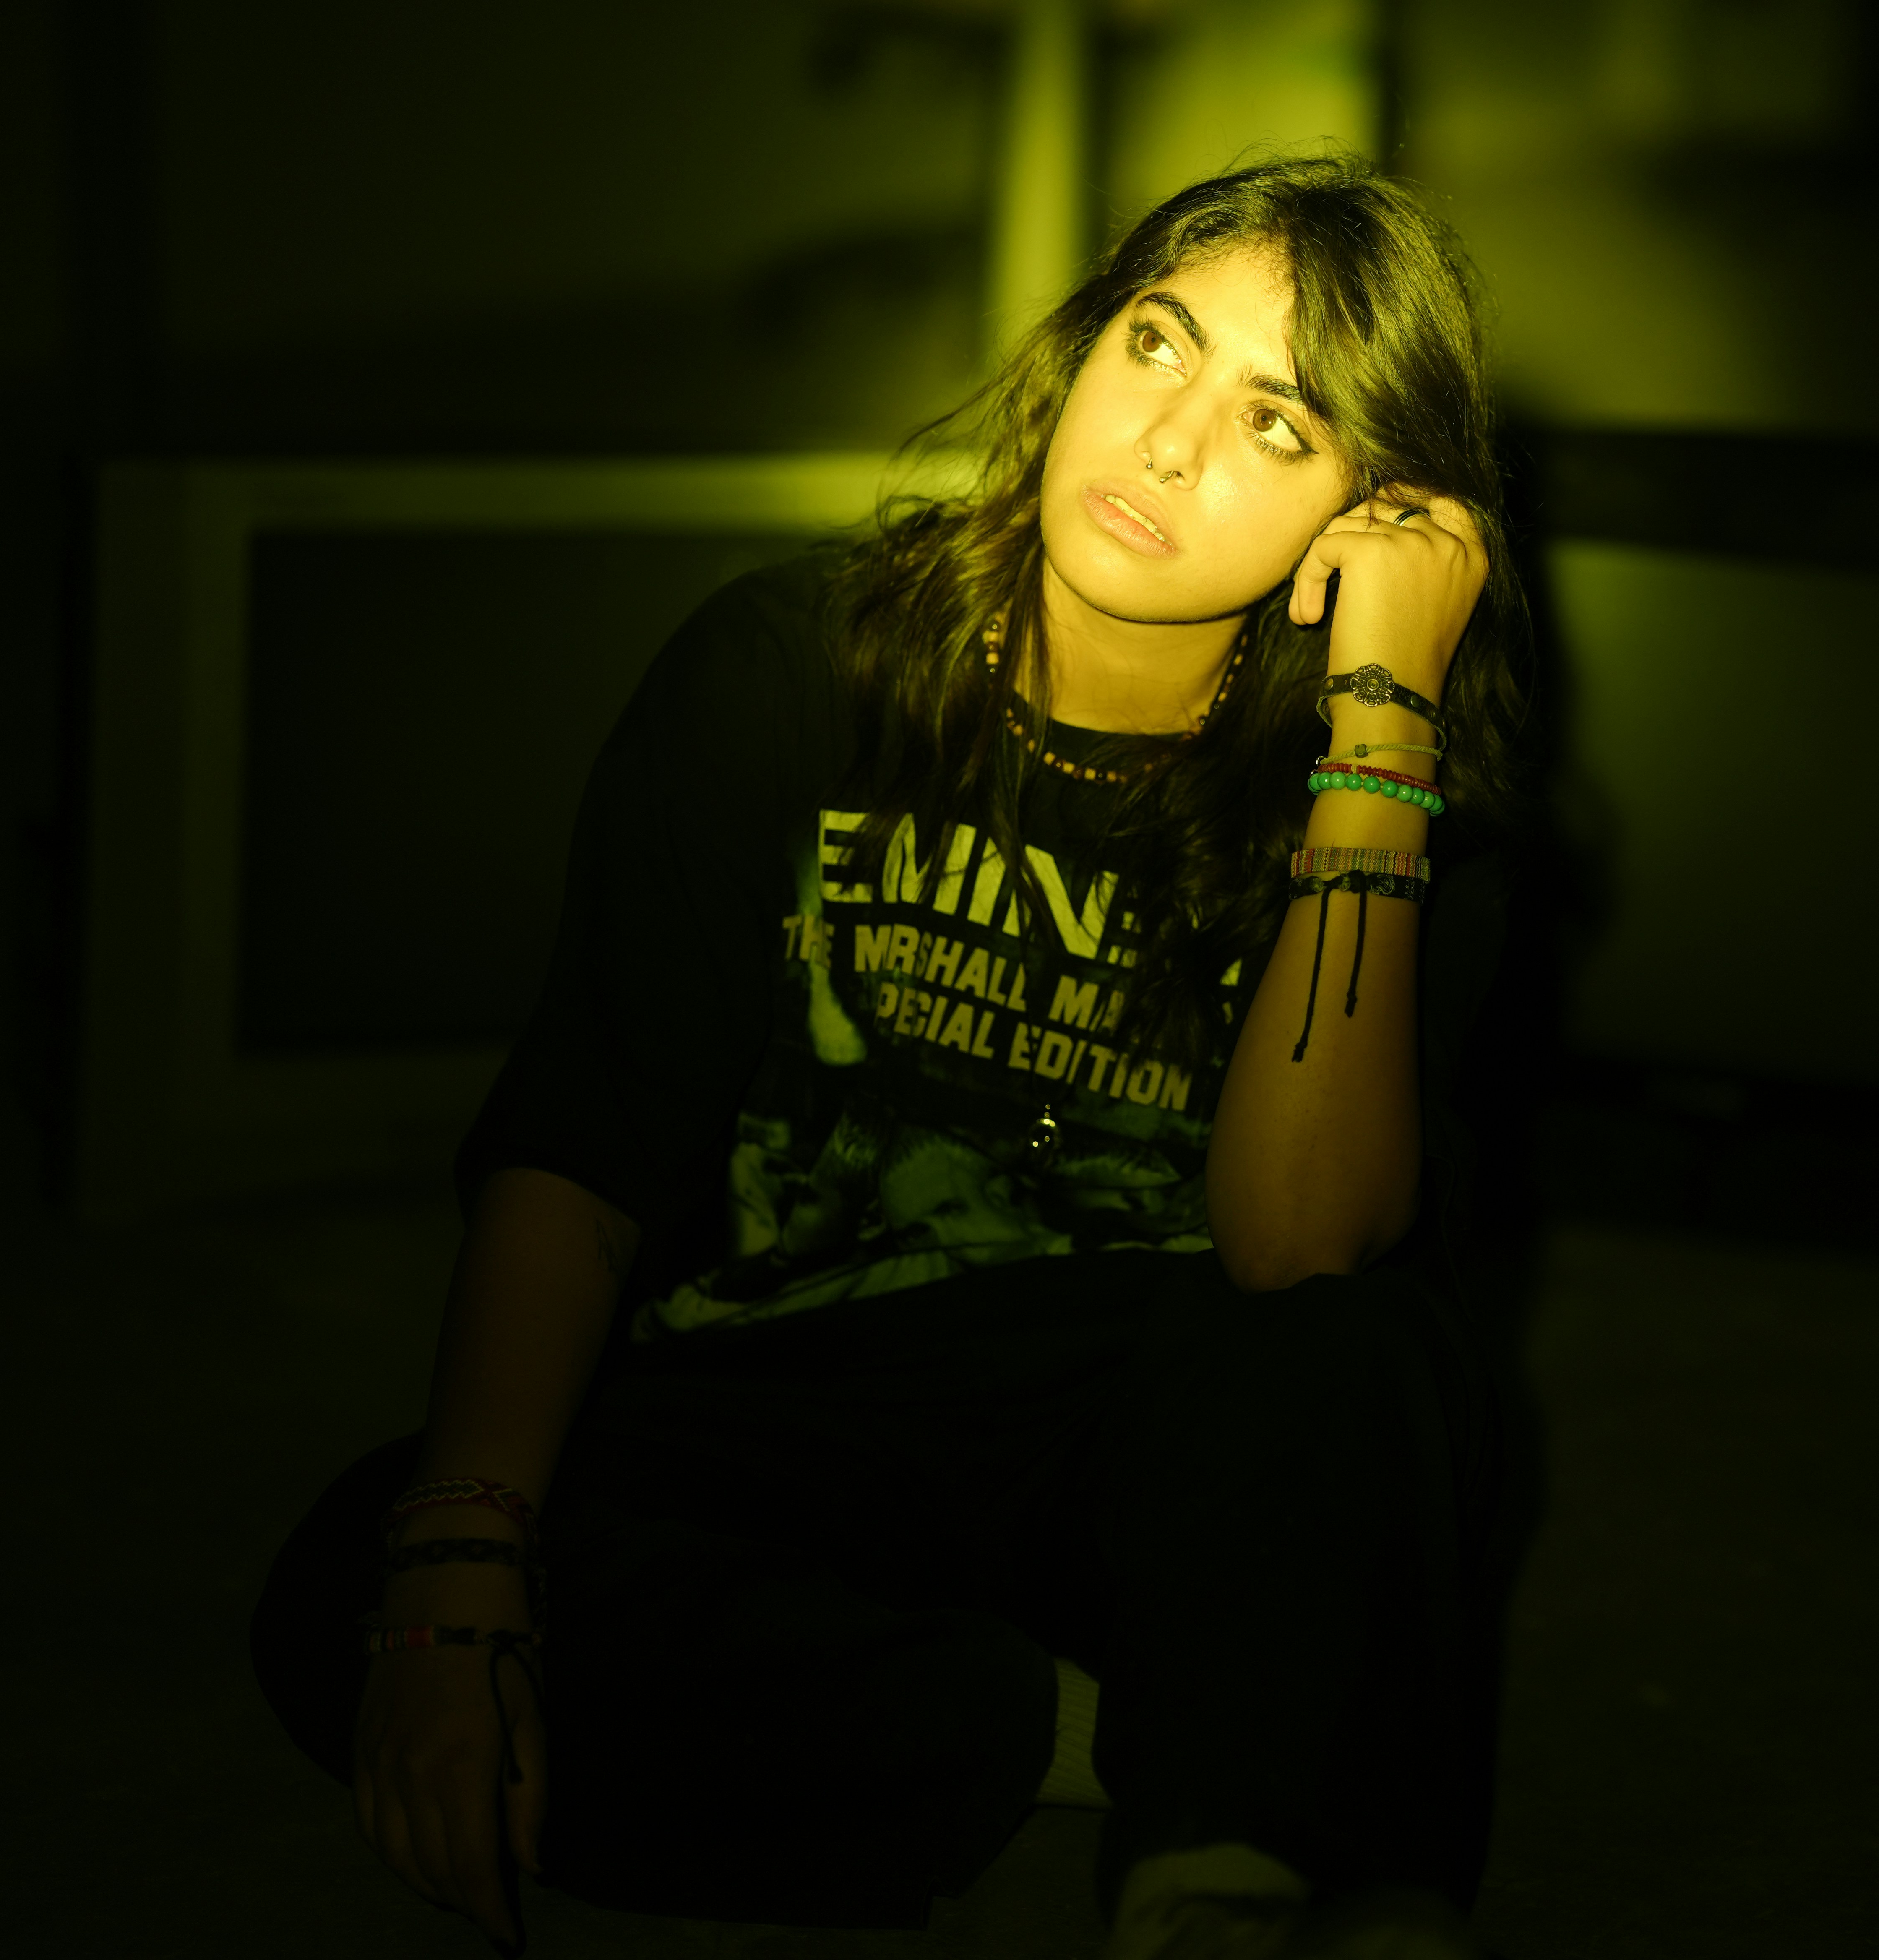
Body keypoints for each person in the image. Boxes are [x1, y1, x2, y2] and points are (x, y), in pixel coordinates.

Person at [250, 153, 1535, 1960]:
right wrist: (461, 1572)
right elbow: (586, 1143)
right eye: (1158, 344)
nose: (1167, 444)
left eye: (1277, 424)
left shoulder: (1393, 822)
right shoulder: (786, 669)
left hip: (1159, 1439)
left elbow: (1300, 1245)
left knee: (1368, 1352)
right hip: (798, 1413)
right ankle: (1139, 1740)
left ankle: (1226, 1879)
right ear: (1081, 345)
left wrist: (1378, 721)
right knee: (356, 1576)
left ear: (1373, 517)